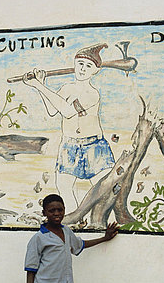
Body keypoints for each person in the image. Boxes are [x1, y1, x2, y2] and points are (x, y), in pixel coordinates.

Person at [24, 44, 116, 214]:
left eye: (88, 66)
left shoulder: (92, 94)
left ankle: (99, 220)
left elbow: (67, 112)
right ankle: (75, 220)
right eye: (80, 64)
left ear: (95, 71)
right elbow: (52, 110)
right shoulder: (67, 88)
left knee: (102, 188)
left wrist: (39, 86)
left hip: (93, 147)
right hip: (69, 146)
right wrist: (42, 86)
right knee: (64, 186)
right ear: (74, 64)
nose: (83, 69)